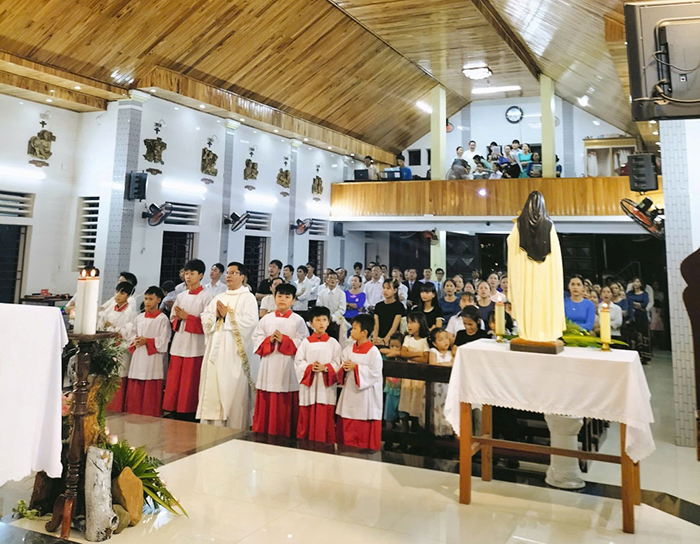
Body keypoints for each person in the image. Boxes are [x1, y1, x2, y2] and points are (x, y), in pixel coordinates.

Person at [197, 262, 259, 428]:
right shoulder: (220, 297)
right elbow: (205, 316)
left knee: (231, 387)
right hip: (215, 347)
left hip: (234, 351)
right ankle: (210, 425)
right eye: (228, 273)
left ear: (242, 277)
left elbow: (251, 323)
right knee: (213, 383)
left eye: (233, 273)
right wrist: (216, 316)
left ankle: (233, 427)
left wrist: (228, 316)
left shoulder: (248, 298)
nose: (229, 276)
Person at [252, 283, 309, 436]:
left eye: (287, 297)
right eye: (279, 296)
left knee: (287, 402)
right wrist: (269, 340)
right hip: (269, 366)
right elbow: (256, 339)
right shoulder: (266, 319)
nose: (283, 299)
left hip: (288, 366)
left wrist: (285, 341)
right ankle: (264, 433)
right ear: (274, 298)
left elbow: (304, 344)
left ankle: (287, 435)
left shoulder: (298, 321)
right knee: (267, 400)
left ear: (293, 300)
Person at [163, 259, 213, 419]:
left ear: (201, 275)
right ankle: (173, 408)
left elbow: (208, 323)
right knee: (175, 378)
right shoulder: (181, 296)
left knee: (189, 380)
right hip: (179, 342)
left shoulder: (207, 297)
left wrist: (188, 317)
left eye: (192, 273)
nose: (188, 277)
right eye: (186, 273)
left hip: (195, 345)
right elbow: (172, 318)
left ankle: (188, 411)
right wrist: (177, 317)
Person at [294, 306, 342, 443]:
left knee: (324, 416)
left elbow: (338, 363)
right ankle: (305, 443)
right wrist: (310, 368)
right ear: (311, 323)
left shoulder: (333, 343)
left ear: (329, 322)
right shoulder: (305, 343)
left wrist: (325, 368)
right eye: (318, 320)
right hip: (309, 386)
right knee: (307, 415)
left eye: (324, 320)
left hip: (325, 389)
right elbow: (298, 362)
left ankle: (325, 444)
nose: (321, 323)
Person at [335, 314, 383, 450]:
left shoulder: (373, 352)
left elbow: (375, 373)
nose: (351, 331)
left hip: (366, 397)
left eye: (355, 328)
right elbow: (341, 365)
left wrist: (356, 368)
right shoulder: (348, 349)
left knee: (363, 434)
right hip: (349, 393)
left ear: (364, 333)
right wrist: (344, 368)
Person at [126, 286, 171, 417]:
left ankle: (150, 413)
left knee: (151, 386)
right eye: (146, 298)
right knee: (136, 384)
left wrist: (147, 341)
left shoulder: (162, 319)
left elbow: (164, 340)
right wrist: (135, 340)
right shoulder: (139, 317)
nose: (147, 302)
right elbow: (131, 334)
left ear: (158, 300)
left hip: (153, 358)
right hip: (139, 355)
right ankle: (133, 413)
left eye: (151, 299)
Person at [99, 281, 137, 412]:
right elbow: (101, 323)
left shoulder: (131, 312)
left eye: (122, 293)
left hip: (121, 348)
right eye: (116, 291)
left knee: (119, 374)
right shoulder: (110, 309)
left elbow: (130, 331)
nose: (118, 295)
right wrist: (106, 326)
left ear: (129, 296)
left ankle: (116, 407)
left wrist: (115, 330)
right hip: (107, 346)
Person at [399, 312, 430, 432]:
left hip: (419, 375)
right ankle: (406, 426)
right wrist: (418, 353)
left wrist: (410, 355)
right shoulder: (407, 338)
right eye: (408, 323)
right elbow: (403, 353)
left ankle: (417, 426)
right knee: (407, 398)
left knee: (417, 400)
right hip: (408, 375)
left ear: (420, 324)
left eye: (412, 322)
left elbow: (425, 359)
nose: (409, 325)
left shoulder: (425, 340)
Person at [421, 329, 454, 437]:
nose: (445, 341)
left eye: (446, 338)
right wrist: (447, 364)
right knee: (436, 406)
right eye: (441, 339)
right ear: (435, 343)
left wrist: (447, 363)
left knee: (446, 408)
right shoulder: (433, 352)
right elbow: (433, 364)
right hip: (435, 387)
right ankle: (435, 431)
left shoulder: (451, 353)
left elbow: (454, 363)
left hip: (447, 387)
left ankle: (446, 431)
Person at [372, 279, 405, 346]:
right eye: (384, 288)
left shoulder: (399, 306)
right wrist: (375, 338)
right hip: (378, 338)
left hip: (392, 340)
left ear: (395, 290)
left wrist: (385, 341)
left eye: (388, 288)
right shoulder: (378, 306)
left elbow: (394, 327)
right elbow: (376, 326)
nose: (385, 291)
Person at [627, 277, 651, 363]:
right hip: (632, 316)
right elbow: (628, 303)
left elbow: (644, 304)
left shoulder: (644, 294)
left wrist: (633, 304)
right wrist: (636, 304)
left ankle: (644, 356)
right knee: (634, 335)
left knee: (643, 335)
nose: (635, 283)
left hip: (641, 316)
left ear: (641, 284)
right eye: (634, 281)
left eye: (637, 282)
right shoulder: (629, 293)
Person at [316, 270, 347, 340]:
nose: (332, 280)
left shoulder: (341, 294)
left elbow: (342, 309)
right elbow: (319, 307)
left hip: (336, 322)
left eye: (334, 278)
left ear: (337, 281)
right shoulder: (321, 293)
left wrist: (332, 317)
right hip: (323, 322)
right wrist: (325, 317)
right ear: (326, 280)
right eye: (330, 278)